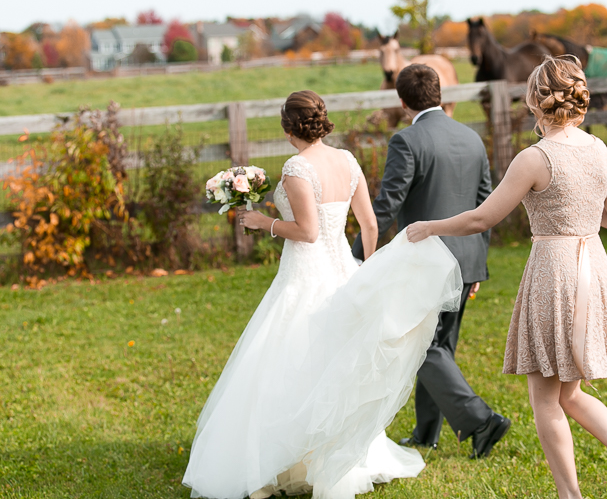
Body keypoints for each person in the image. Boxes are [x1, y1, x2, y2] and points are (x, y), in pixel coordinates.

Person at [406, 55, 607, 499]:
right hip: (595, 268)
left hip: (556, 271)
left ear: (535, 101)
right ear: (579, 99)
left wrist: (431, 226)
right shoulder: (599, 149)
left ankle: (572, 497)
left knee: (547, 398)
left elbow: (481, 218)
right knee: (569, 393)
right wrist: (581, 217)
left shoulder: (535, 158)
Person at [182, 90, 464, 499]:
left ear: (287, 127)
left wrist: (264, 222)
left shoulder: (297, 167)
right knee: (334, 368)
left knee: (287, 361)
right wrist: (370, 271)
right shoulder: (346, 160)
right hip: (345, 276)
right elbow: (369, 223)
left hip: (306, 276)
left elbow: (308, 233)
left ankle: (277, 460)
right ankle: (321, 455)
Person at [353, 63, 510, 458]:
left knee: (420, 346)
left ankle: (481, 420)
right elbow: (485, 204)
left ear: (402, 101)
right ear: (441, 94)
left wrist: (355, 252)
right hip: (468, 258)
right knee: (441, 346)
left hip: (428, 263)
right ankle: (426, 432)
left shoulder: (407, 140)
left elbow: (387, 204)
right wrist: (477, 262)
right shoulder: (472, 137)